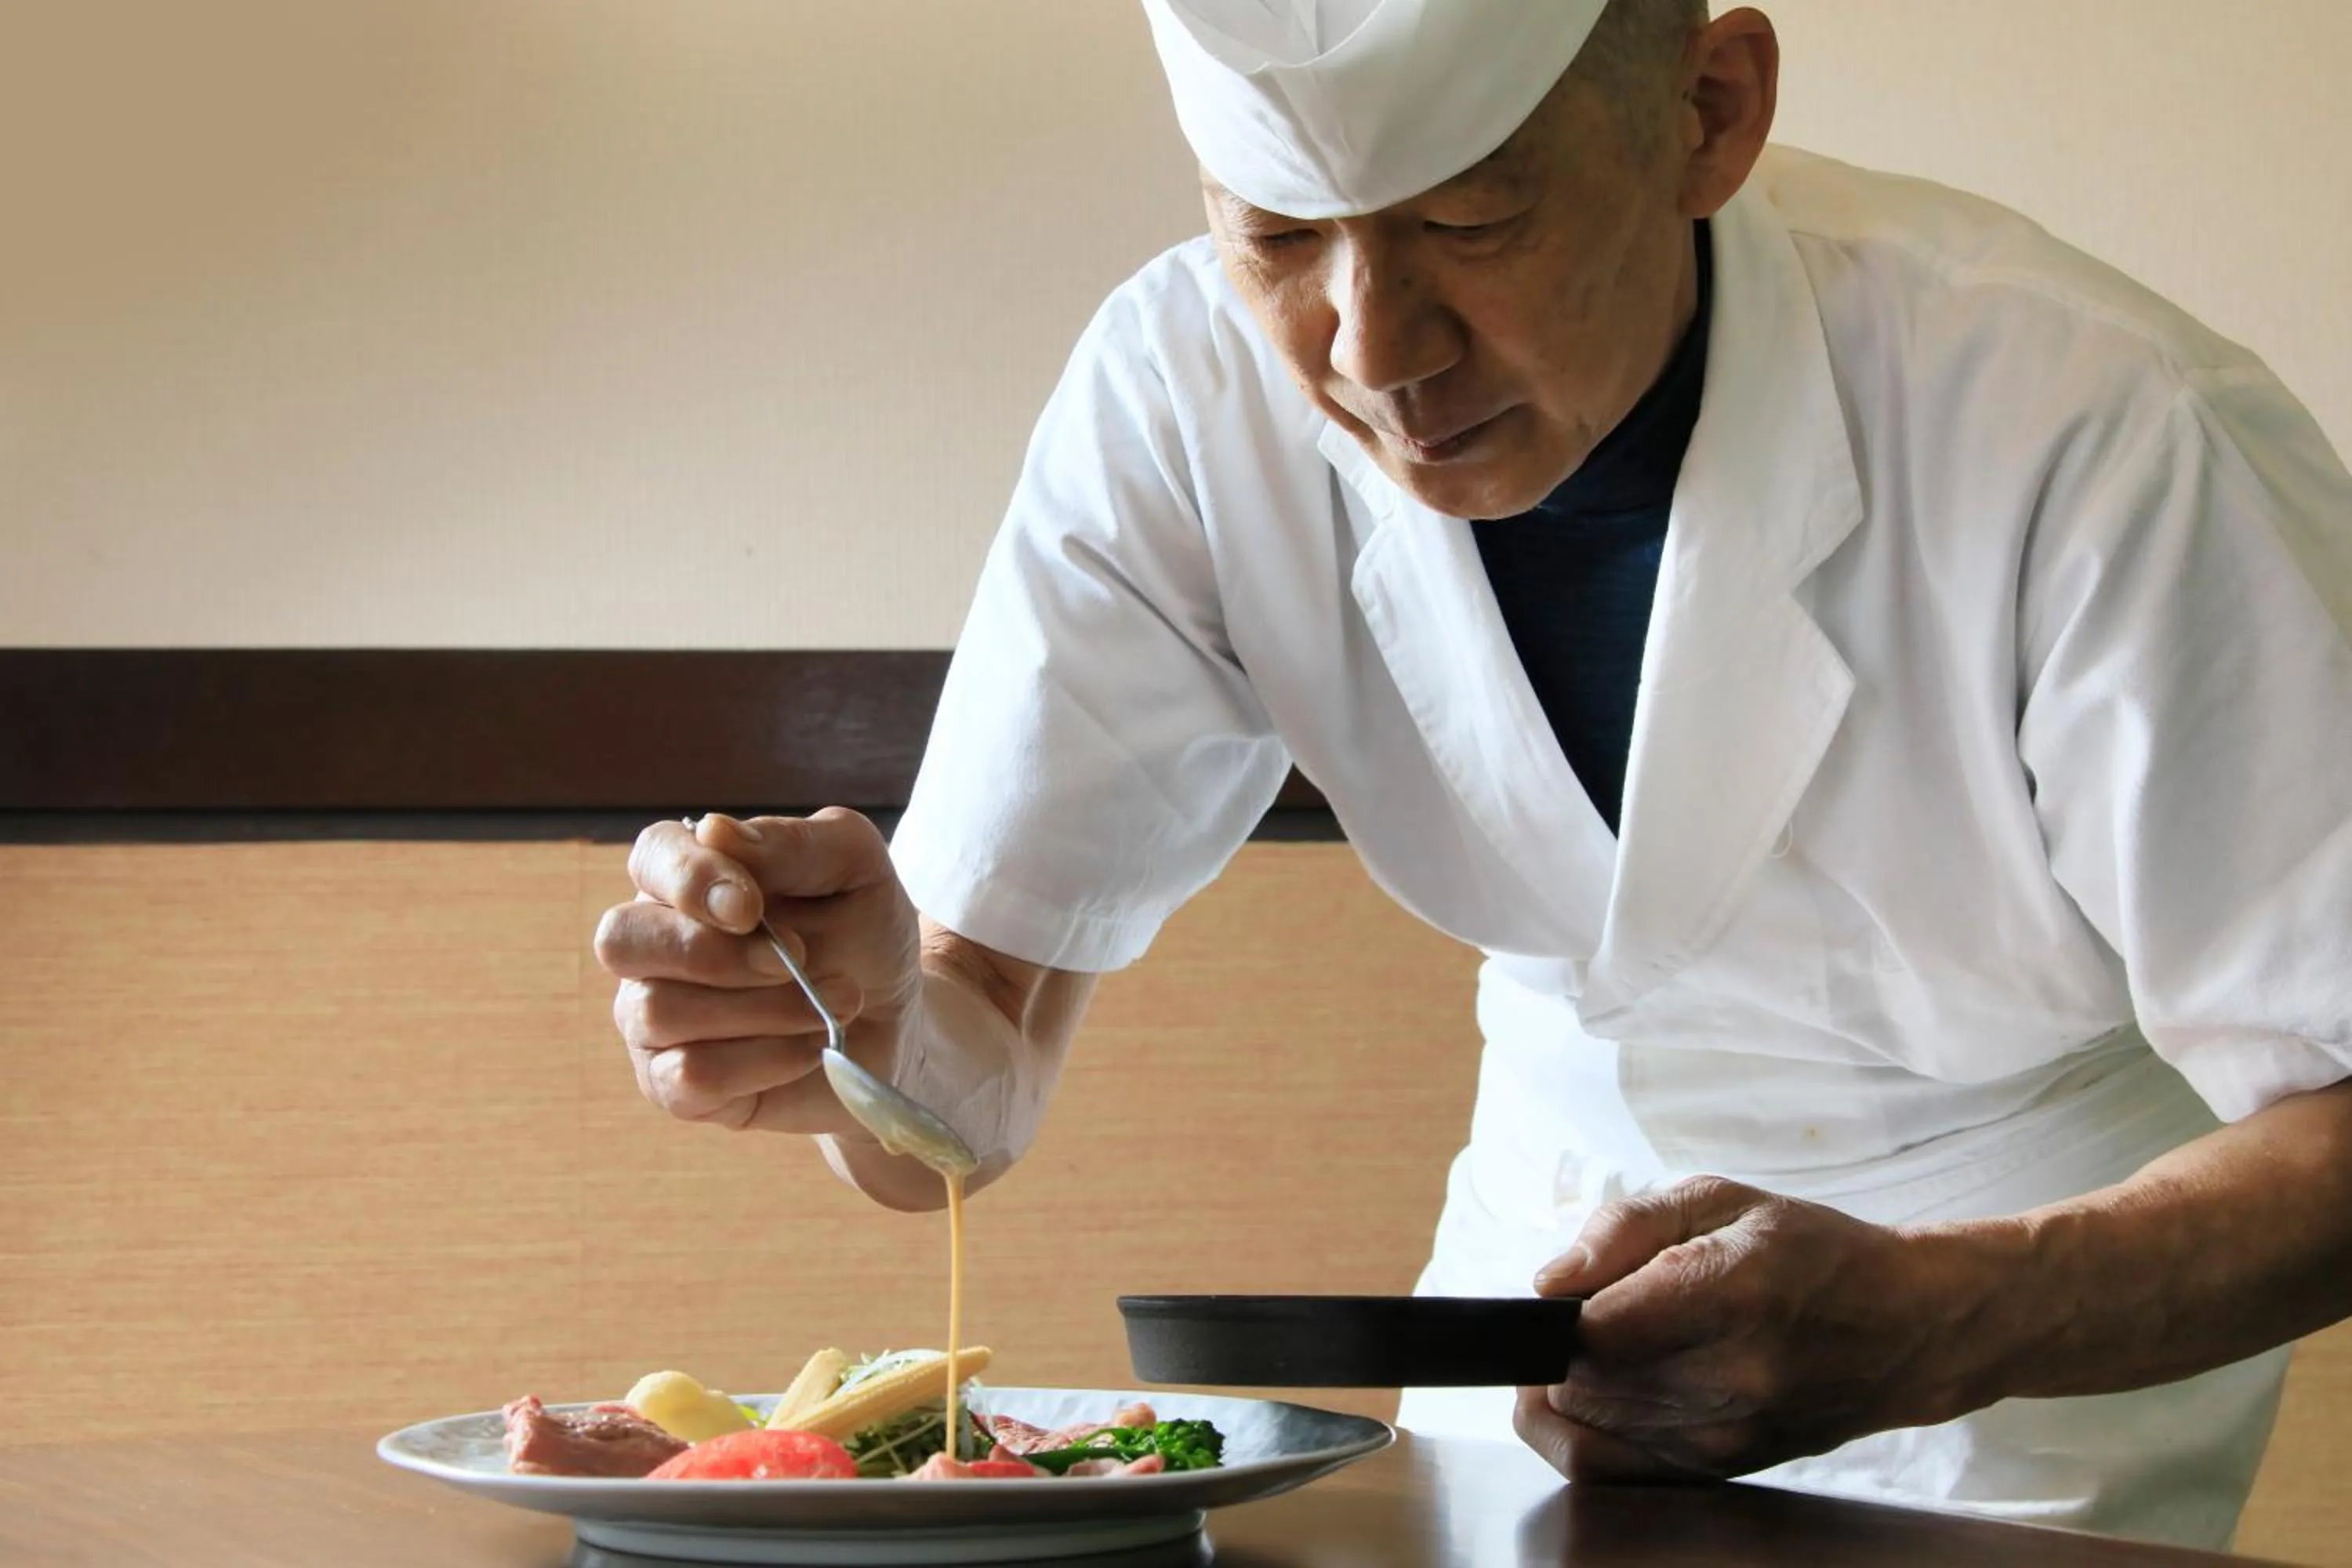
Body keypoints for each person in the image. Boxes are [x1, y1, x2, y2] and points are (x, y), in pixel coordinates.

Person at [593, 0, 2352, 1548]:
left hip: (2010, 1357)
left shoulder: (2093, 428)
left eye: (1474, 220)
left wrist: (1932, 1320)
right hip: (1525, 1311)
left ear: (1709, 112)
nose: (1376, 351)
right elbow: (945, 1118)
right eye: (1278, 233)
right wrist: (863, 1026)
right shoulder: (1182, 395)